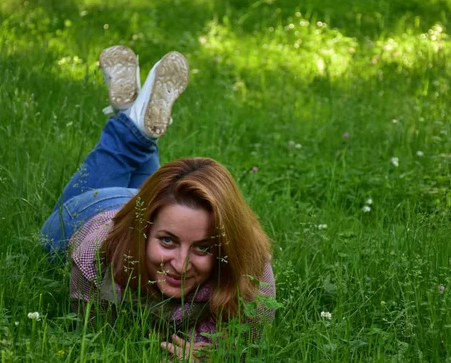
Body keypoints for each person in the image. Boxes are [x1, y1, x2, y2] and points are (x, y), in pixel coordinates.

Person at [40, 46, 275, 361]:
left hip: (163, 210)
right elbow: (95, 340)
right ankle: (133, 124)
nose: (180, 264)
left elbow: (251, 341)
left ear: (225, 246)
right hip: (92, 211)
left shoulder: (250, 264)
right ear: (144, 229)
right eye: (168, 242)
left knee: (157, 184)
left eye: (204, 248)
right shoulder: (94, 257)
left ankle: (130, 114)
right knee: (47, 243)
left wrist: (213, 355)